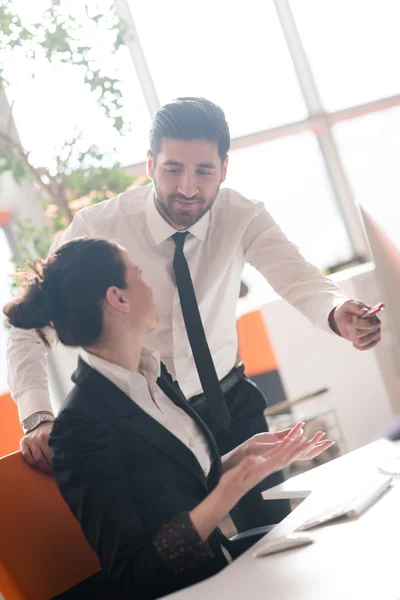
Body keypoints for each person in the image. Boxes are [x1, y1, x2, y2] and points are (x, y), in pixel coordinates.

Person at [7, 97, 381, 532]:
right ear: (149, 164)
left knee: (279, 534)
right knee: (181, 549)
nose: (187, 187)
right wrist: (37, 415)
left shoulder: (243, 216)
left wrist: (339, 313)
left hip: (230, 404)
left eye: (203, 171)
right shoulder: (100, 229)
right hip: (149, 425)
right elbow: (28, 324)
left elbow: (300, 280)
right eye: (172, 169)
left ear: (224, 168)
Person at [3, 238, 334, 599]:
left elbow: (175, 487)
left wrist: (244, 456)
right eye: (139, 275)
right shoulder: (81, 428)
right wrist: (226, 494)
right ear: (119, 298)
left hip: (225, 573)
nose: (151, 285)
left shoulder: (154, 376)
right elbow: (136, 575)